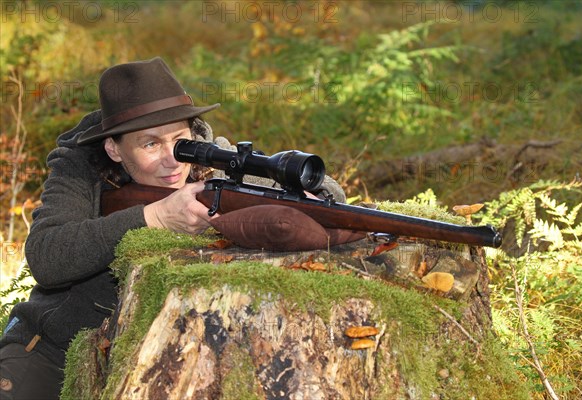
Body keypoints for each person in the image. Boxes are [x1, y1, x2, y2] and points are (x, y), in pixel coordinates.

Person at [0, 57, 345, 399]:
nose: (172, 159)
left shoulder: (212, 160)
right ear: (114, 149)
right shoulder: (79, 169)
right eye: (150, 144)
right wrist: (154, 217)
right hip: (54, 351)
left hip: (163, 359)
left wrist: (307, 193)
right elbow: (47, 257)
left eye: (180, 141)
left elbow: (325, 190)